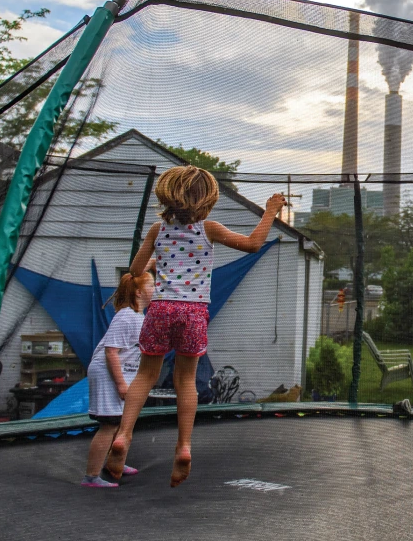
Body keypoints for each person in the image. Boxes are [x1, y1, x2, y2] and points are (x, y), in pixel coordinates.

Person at [106, 165, 285, 486]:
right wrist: (270, 211)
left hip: (160, 310)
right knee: (185, 381)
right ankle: (184, 446)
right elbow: (253, 244)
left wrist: (154, 260)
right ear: (208, 201)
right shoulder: (210, 229)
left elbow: (134, 270)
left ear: (167, 195)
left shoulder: (157, 230)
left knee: (146, 375)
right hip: (193, 312)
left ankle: (123, 436)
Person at [81, 262, 155, 488]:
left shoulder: (139, 317)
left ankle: (115, 463)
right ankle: (91, 477)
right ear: (139, 292)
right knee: (110, 424)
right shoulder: (126, 316)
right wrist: (121, 384)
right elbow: (111, 352)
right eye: (152, 285)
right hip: (107, 374)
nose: (156, 289)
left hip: (120, 374)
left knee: (123, 422)